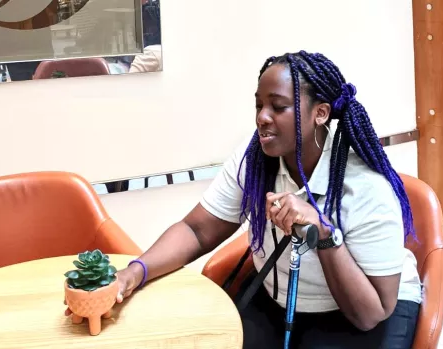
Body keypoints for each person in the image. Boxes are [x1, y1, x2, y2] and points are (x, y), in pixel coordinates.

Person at [65, 51, 422, 348]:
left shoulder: (366, 187)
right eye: (259, 105)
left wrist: (322, 232)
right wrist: (131, 275)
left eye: (278, 107)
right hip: (281, 301)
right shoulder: (255, 159)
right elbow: (197, 230)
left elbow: (370, 313)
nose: (262, 118)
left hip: (364, 312)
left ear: (321, 113)